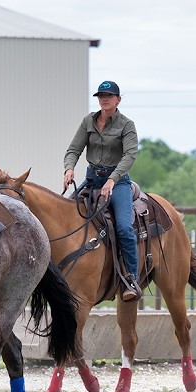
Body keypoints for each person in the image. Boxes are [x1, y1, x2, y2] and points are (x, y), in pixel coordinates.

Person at [62, 80, 141, 302]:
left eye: (109, 95)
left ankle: (130, 278)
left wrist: (113, 180)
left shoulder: (127, 125)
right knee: (67, 219)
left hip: (118, 183)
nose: (104, 99)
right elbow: (74, 149)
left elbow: (129, 156)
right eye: (101, 96)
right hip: (91, 181)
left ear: (118, 100)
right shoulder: (89, 121)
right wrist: (69, 169)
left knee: (125, 227)